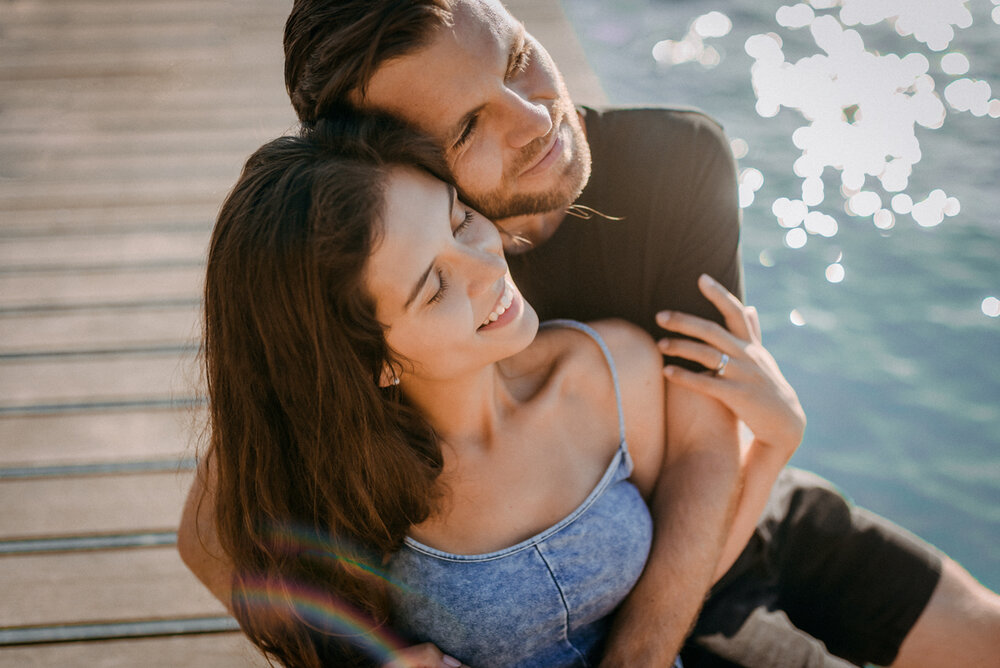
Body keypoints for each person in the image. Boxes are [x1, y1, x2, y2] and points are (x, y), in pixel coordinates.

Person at [180, 1, 1000, 666]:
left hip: (729, 518)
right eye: (467, 127)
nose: (536, 116)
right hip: (642, 587)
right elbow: (218, 530)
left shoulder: (675, 161)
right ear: (377, 161)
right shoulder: (382, 266)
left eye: (513, 57)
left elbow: (705, 449)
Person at [196, 111, 800, 668]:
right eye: (434, 287)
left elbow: (682, 574)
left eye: (459, 220)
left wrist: (772, 448)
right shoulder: (350, 482)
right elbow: (223, 554)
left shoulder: (612, 368)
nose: (487, 266)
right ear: (372, 361)